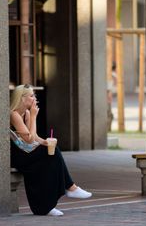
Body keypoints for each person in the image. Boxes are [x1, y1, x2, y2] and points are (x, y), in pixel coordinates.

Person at [10, 84, 92, 216]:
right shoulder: (14, 114)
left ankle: (47, 206)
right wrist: (33, 117)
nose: (34, 98)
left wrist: (46, 142)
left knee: (51, 154)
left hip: (26, 151)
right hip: (17, 156)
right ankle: (70, 187)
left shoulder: (25, 113)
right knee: (52, 155)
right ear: (22, 98)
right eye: (31, 96)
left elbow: (34, 137)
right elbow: (29, 139)